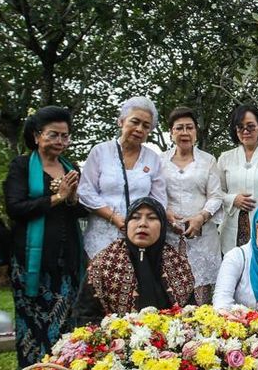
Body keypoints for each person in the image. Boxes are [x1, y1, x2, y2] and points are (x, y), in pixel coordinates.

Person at [5, 106, 87, 368]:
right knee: (33, 323)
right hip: (32, 261)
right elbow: (15, 208)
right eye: (53, 135)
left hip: (66, 260)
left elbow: (81, 210)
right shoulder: (21, 166)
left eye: (65, 136)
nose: (60, 141)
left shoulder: (70, 168)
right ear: (37, 135)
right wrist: (58, 197)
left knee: (66, 322)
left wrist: (72, 199)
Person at [73, 197, 194, 326]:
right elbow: (85, 316)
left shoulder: (177, 263)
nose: (142, 224)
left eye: (152, 218)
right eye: (135, 217)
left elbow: (191, 315)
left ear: (163, 226)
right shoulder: (105, 263)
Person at [78, 96, 168, 258]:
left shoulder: (153, 159)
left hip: (137, 238)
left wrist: (141, 221)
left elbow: (159, 200)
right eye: (135, 122)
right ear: (121, 121)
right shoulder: (100, 151)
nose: (139, 129)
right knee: (97, 273)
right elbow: (85, 191)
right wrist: (113, 217)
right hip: (100, 236)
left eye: (146, 126)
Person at [161, 107, 224, 304]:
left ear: (196, 131)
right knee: (169, 293)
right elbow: (153, 193)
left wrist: (201, 217)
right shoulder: (160, 161)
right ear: (171, 132)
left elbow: (216, 196)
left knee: (201, 297)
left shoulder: (208, 160)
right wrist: (164, 212)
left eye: (189, 127)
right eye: (179, 128)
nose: (185, 132)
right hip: (169, 235)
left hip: (202, 236)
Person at [218, 105, 258, 254]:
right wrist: (233, 199)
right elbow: (216, 192)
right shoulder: (225, 158)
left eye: (250, 126)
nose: (245, 131)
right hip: (230, 230)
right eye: (240, 127)